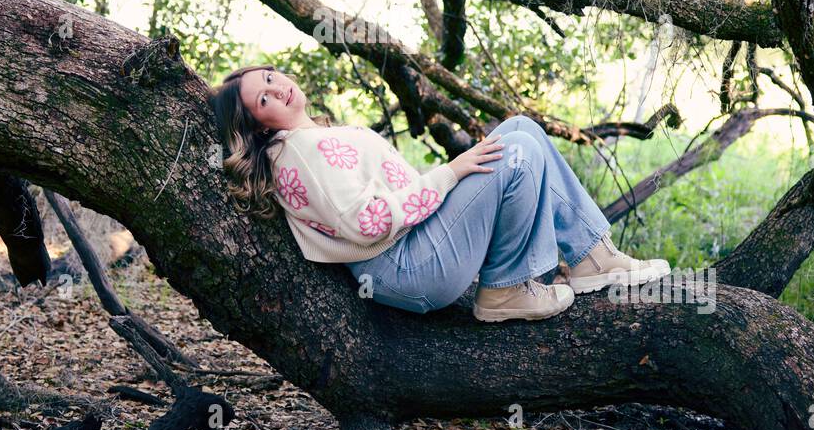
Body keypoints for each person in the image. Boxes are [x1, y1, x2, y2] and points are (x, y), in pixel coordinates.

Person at [209, 63, 669, 322]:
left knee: (520, 128)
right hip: (406, 266)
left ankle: (592, 257)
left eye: (269, 76)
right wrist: (449, 175)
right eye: (262, 99)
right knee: (518, 152)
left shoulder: (307, 142)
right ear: (254, 125)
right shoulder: (299, 153)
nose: (277, 88)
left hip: (415, 247)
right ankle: (506, 291)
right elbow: (366, 224)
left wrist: (448, 181)